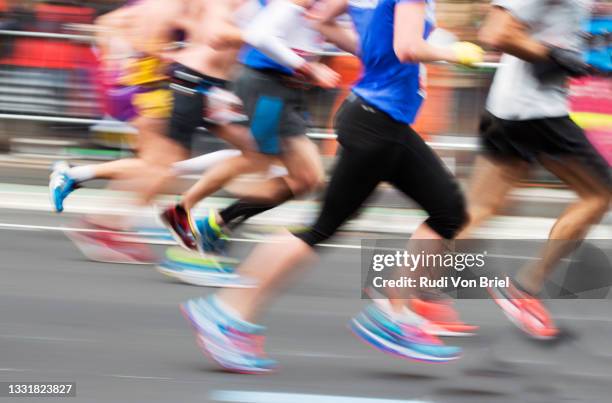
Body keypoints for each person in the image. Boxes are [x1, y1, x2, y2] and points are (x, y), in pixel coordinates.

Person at [179, 0, 485, 374]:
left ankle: (392, 312)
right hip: (378, 122)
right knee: (321, 228)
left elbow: (321, 22)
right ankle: (226, 314)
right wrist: (452, 52)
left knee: (448, 211)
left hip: (379, 119)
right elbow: (407, 48)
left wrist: (374, 53)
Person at [457, 0, 611, 339]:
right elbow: (494, 31)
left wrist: (581, 52)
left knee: (481, 210)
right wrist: (553, 56)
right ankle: (524, 289)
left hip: (509, 109)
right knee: (599, 194)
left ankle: (405, 297)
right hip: (536, 113)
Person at [160, 0, 340, 259]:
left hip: (280, 88)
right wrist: (305, 64)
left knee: (296, 175)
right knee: (272, 165)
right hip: (262, 86)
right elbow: (239, 34)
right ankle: (196, 215)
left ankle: (208, 219)